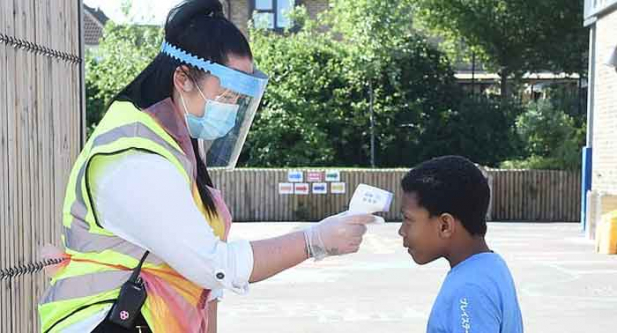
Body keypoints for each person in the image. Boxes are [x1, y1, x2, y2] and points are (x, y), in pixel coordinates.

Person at [38, 1, 375, 332]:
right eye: (226, 96)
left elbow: (206, 286)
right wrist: (313, 240)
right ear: (183, 78)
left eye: (238, 100)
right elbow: (214, 266)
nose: (230, 109)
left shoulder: (177, 143)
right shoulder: (137, 157)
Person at [397, 156, 523, 332]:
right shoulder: (491, 265)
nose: (401, 231)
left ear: (445, 225)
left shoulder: (469, 289)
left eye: (408, 219)